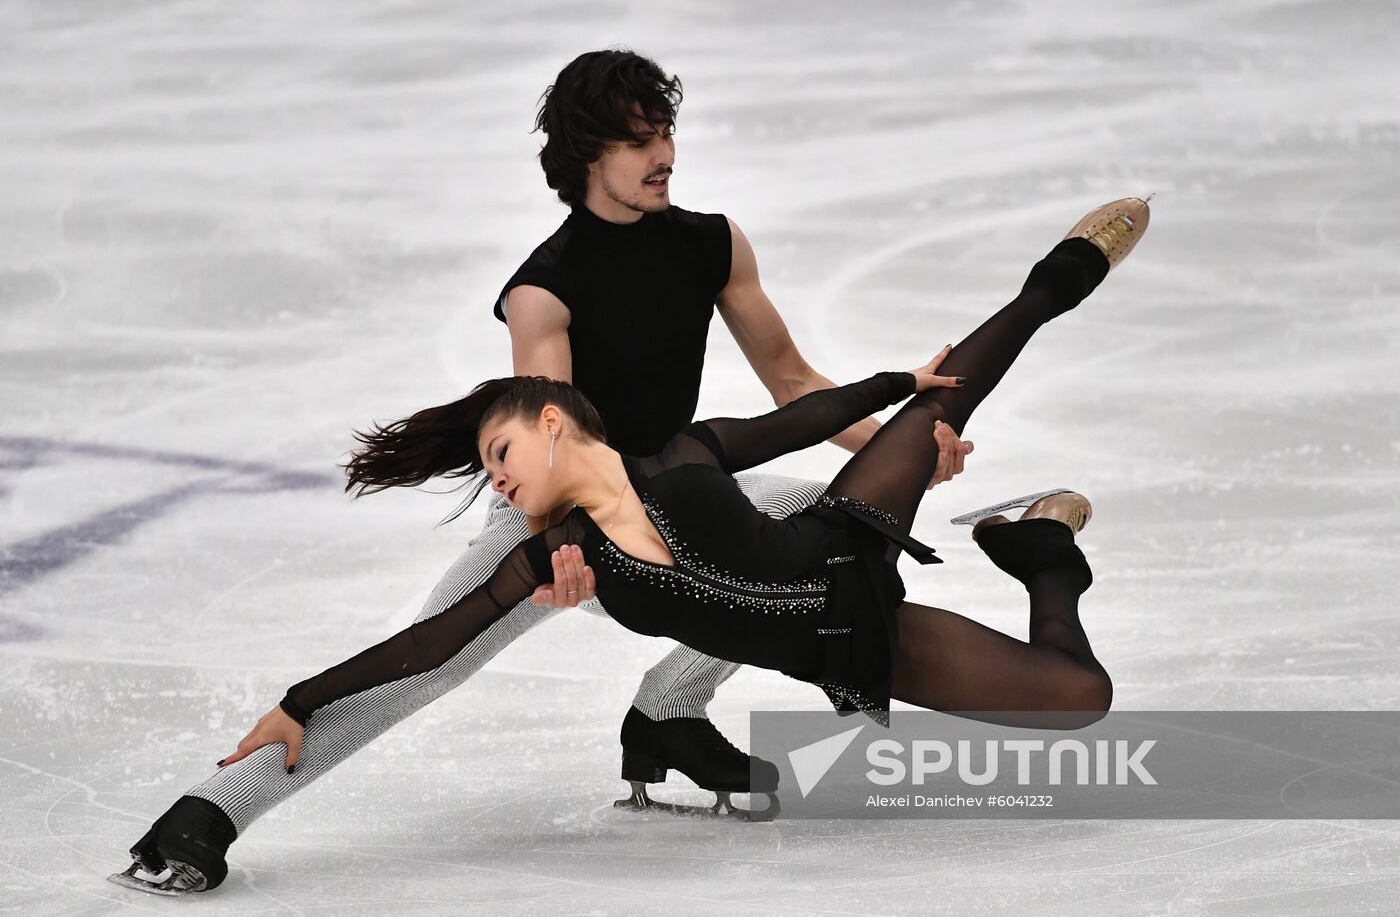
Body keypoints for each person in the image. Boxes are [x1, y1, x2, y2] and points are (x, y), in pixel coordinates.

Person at [110, 49, 975, 896]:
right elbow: (554, 450)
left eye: (665, 130)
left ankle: (669, 707)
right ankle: (211, 811)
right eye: (639, 140)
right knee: (431, 660)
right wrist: (551, 553)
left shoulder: (711, 244)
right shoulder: (545, 291)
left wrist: (895, 452)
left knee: (833, 517)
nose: (664, 154)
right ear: (586, 155)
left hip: (682, 490)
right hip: (563, 516)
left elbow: (790, 379)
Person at [206, 195, 1150, 877]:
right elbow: (428, 645)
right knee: (1081, 701)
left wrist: (899, 389)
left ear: (549, 424)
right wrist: (300, 699)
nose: (494, 480)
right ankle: (1043, 556)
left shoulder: (687, 458)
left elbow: (798, 417)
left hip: (841, 542)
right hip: (856, 643)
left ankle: (1062, 275)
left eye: (498, 453)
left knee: (959, 379)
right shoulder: (551, 557)